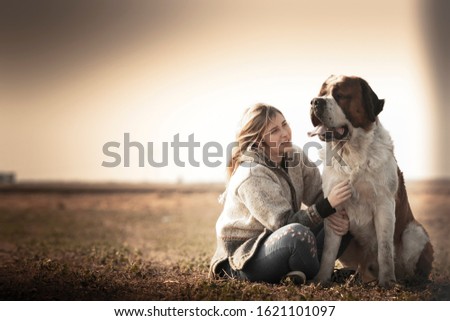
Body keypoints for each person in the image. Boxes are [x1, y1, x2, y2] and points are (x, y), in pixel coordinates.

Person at [209, 103, 353, 284]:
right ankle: (322, 276)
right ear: (258, 141)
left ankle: (298, 273)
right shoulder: (252, 174)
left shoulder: (296, 156)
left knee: (349, 216)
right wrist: (326, 207)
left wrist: (335, 213)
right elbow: (284, 223)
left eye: (285, 124)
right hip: (243, 257)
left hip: (279, 240)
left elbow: (318, 195)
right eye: (274, 131)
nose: (285, 133)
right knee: (298, 236)